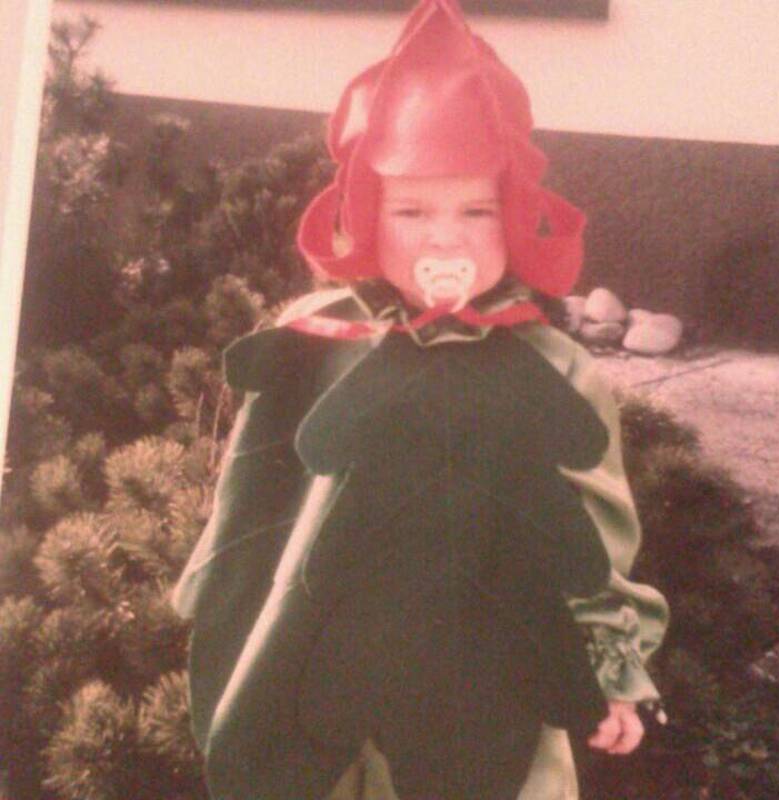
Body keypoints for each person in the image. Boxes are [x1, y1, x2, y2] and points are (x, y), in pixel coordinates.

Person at [171, 2, 669, 798]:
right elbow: (253, 495)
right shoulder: (316, 338)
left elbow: (591, 533)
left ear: (514, 217)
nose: (445, 237)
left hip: (487, 684)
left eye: (476, 210)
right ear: (369, 218)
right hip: (325, 669)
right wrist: (227, 605)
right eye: (412, 211)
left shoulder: (551, 369)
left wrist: (612, 670)